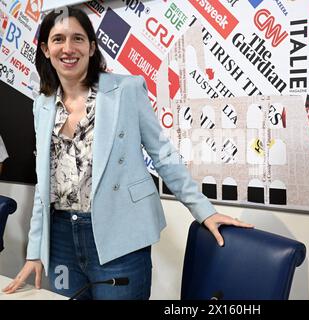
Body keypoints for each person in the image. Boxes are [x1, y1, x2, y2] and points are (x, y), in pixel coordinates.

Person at [2, 6, 252, 299]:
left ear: (92, 47)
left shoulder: (126, 89)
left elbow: (163, 155)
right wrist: (34, 252)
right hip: (61, 239)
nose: (68, 48)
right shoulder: (42, 104)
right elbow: (46, 188)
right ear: (45, 49)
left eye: (78, 39)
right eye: (58, 39)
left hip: (119, 234)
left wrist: (204, 210)